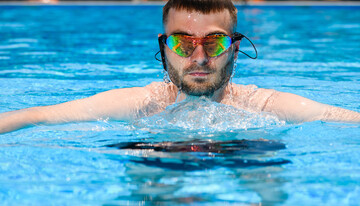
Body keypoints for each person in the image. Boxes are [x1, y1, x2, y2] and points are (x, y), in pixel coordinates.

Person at [0, 0, 359, 134]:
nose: (199, 58)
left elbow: (342, 118)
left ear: (234, 48)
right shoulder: (142, 104)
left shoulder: (263, 107)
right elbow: (38, 116)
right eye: (182, 43)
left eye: (215, 42)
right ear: (164, 46)